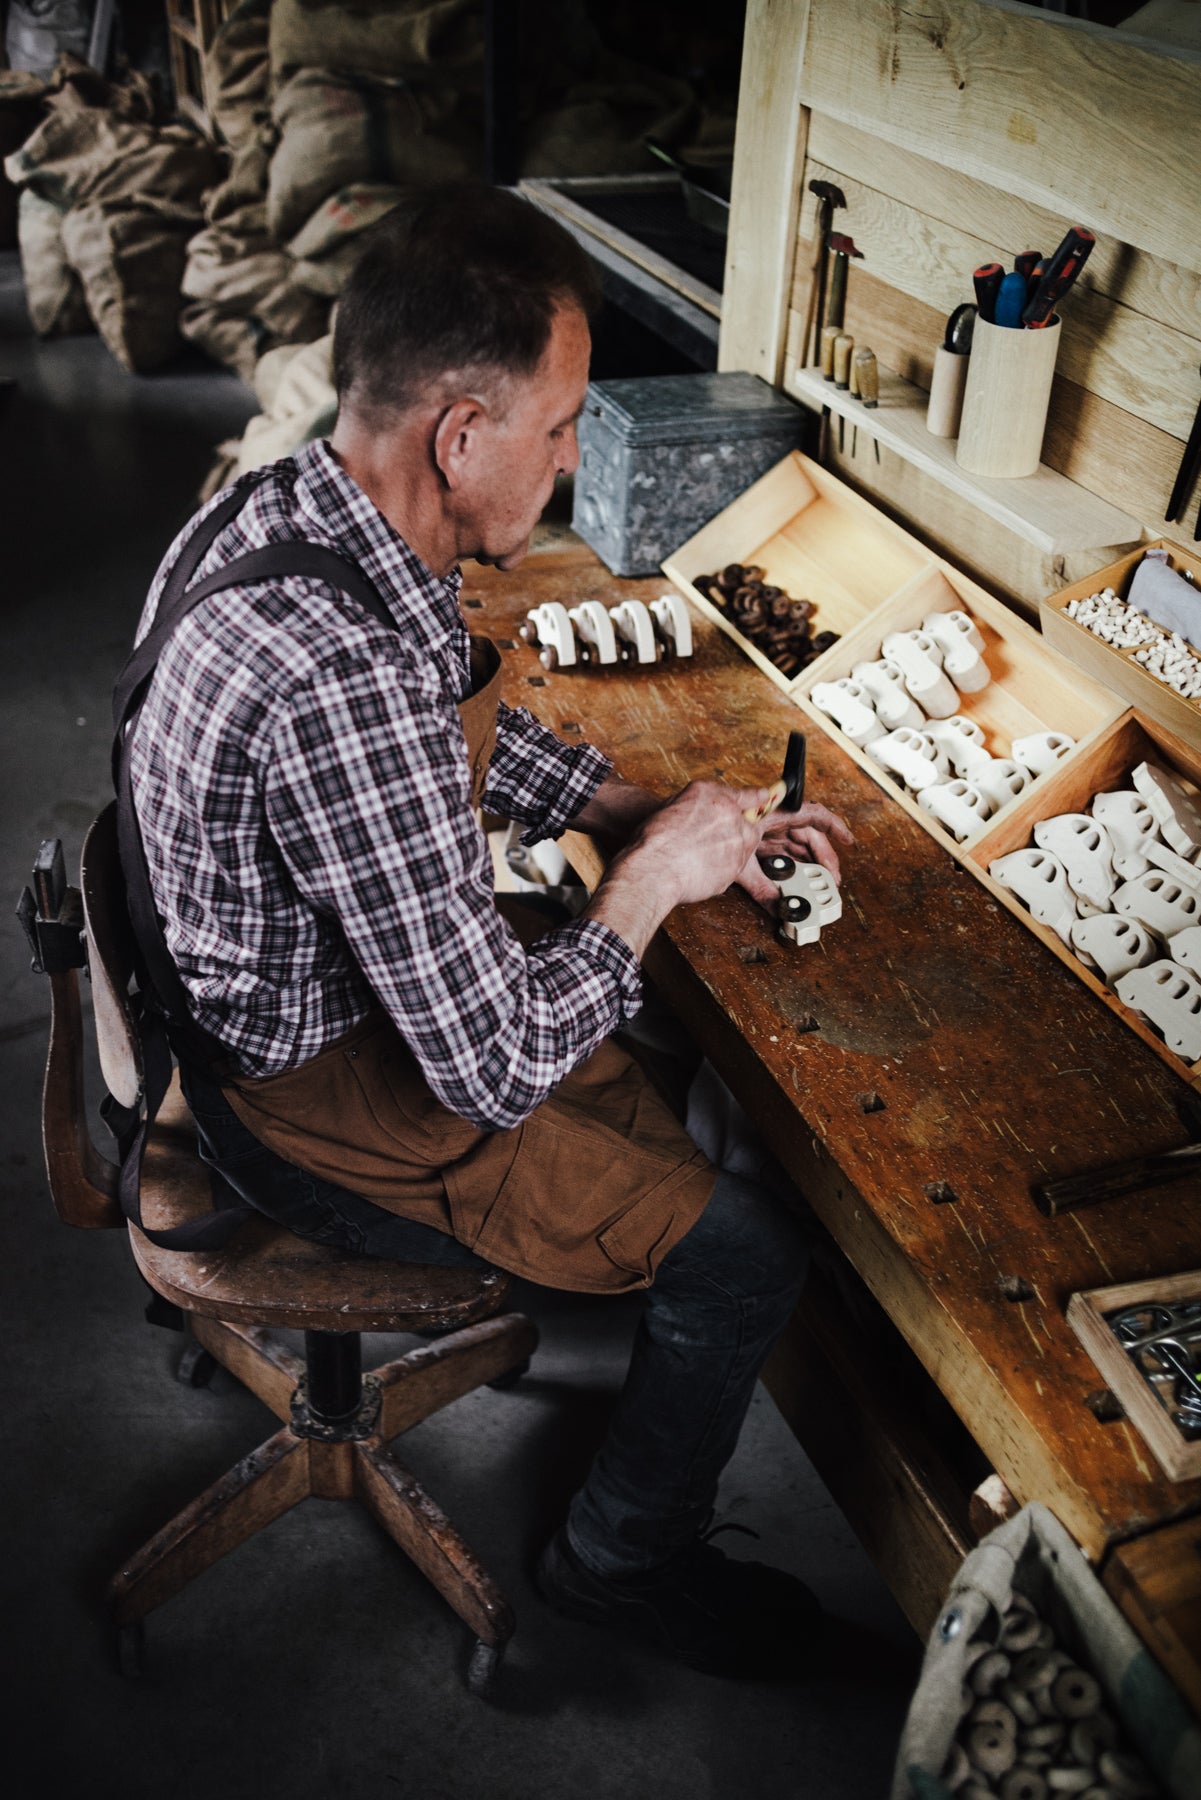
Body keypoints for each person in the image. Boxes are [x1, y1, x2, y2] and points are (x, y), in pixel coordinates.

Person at [126, 183, 854, 1679]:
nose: (575, 458)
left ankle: (618, 1291)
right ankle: (619, 1561)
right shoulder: (334, 674)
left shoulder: (290, 511)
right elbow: (497, 1067)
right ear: (459, 436)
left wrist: (649, 801)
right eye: (564, 425)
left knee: (629, 1041)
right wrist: (651, 880)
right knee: (746, 1251)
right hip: (299, 1100)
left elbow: (447, 728)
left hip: (232, 1005)